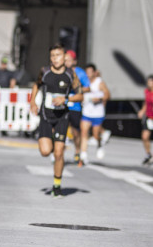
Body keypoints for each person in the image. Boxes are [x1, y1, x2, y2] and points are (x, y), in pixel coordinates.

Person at [29, 44, 83, 198]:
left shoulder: (70, 74)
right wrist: (32, 102)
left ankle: (57, 186)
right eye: (52, 56)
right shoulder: (44, 72)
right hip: (46, 116)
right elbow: (36, 85)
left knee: (59, 153)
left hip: (62, 117)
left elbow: (80, 95)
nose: (55, 59)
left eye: (58, 55)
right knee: (46, 151)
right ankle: (52, 143)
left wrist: (66, 98)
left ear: (64, 57)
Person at [64, 50, 90, 166]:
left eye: (69, 60)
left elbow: (88, 88)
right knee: (61, 130)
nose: (66, 62)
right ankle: (59, 154)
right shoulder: (61, 71)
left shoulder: (80, 73)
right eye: (65, 60)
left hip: (75, 106)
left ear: (74, 61)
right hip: (62, 105)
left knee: (75, 132)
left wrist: (76, 89)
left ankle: (77, 151)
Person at [80, 63, 110, 160]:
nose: (88, 74)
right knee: (84, 132)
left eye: (90, 72)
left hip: (97, 113)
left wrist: (99, 98)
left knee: (95, 134)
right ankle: (83, 155)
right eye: (87, 72)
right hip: (86, 112)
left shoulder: (99, 83)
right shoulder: (83, 82)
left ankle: (99, 145)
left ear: (94, 72)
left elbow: (108, 95)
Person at [137, 75, 153, 165]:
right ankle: (148, 154)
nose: (149, 84)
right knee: (144, 137)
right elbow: (146, 103)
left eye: (151, 82)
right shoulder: (147, 91)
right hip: (149, 117)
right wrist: (142, 111)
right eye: (148, 82)